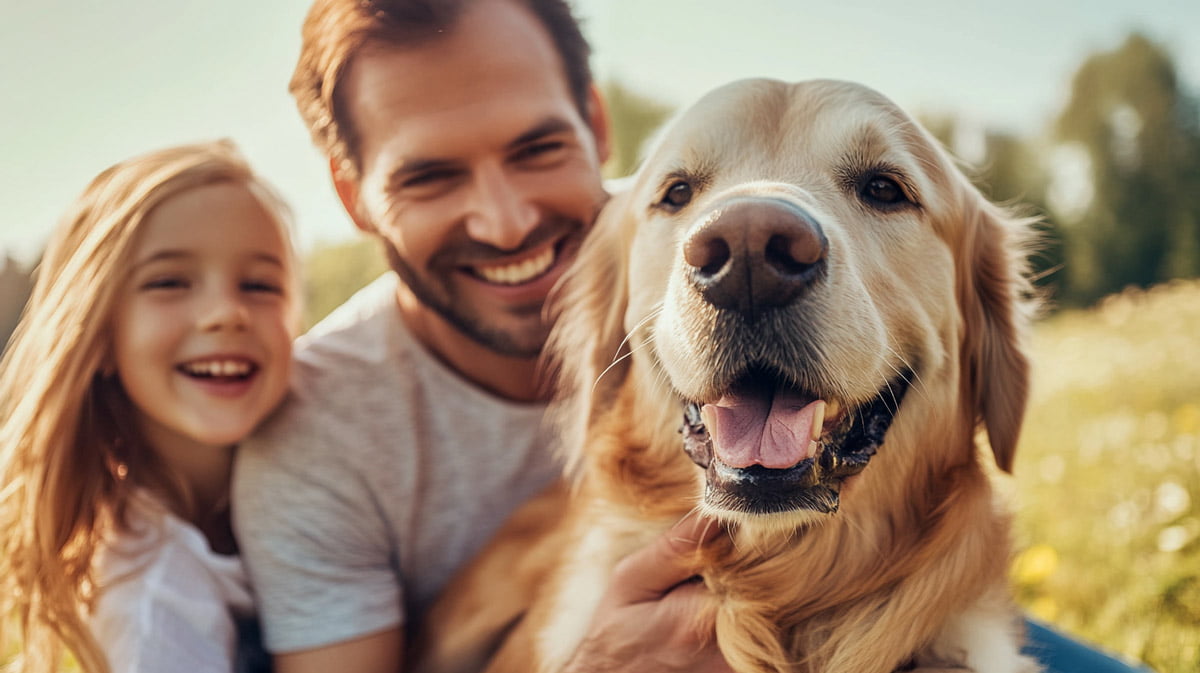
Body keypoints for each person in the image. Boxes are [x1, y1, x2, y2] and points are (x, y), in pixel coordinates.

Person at [232, 1, 1152, 672]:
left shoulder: (631, 238)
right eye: (429, 176)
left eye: (881, 189)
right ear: (353, 198)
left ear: (595, 125)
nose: (507, 220)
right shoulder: (312, 436)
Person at [0, 140, 300, 673]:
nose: (226, 312)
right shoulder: (150, 609)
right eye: (168, 282)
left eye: (259, 284)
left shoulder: (318, 483)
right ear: (101, 336)